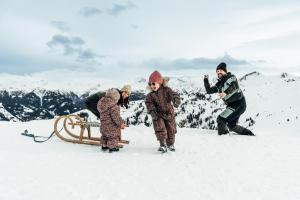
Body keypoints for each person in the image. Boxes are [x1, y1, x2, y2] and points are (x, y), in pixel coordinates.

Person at [204, 62, 255, 136]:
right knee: (231, 125)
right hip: (232, 105)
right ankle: (249, 134)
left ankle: (223, 138)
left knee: (221, 119)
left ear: (225, 71)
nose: (218, 72)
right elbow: (209, 91)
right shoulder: (219, 85)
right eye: (217, 71)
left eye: (220, 70)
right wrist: (205, 80)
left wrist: (226, 93)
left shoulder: (231, 77)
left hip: (239, 103)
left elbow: (235, 86)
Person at [145, 71, 181, 153]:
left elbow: (174, 94)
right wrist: (152, 111)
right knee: (160, 128)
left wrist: (176, 99)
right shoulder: (150, 95)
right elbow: (149, 104)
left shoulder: (167, 90)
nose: (152, 86)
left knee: (171, 130)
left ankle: (170, 144)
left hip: (169, 113)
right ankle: (162, 144)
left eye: (154, 83)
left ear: (159, 82)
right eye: (150, 84)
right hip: (158, 114)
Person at [97, 89, 127, 153]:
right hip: (111, 127)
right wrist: (121, 123)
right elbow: (116, 118)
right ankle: (112, 147)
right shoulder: (114, 107)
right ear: (115, 98)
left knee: (104, 136)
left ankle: (104, 145)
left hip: (103, 126)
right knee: (113, 136)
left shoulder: (101, 104)